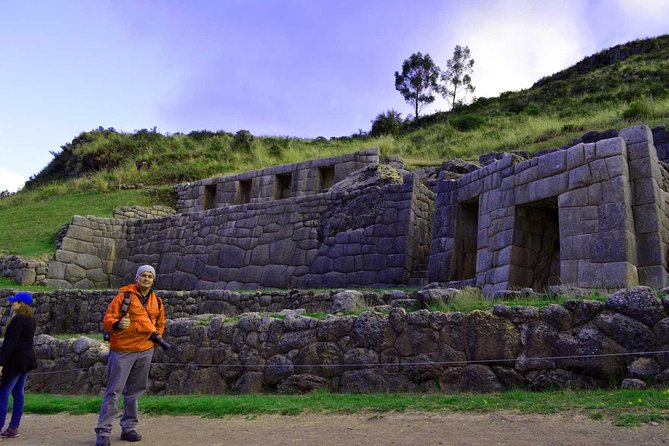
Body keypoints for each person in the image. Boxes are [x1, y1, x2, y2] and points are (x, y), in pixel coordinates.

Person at [95, 265, 165, 446]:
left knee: (135, 391)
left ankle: (129, 427)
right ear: (137, 278)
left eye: (150, 276)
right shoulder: (123, 298)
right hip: (123, 351)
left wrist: (155, 338)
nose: (147, 279)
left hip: (145, 351)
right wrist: (117, 324)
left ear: (153, 280)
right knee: (114, 391)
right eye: (143, 275)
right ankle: (103, 431)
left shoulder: (157, 301)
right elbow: (108, 319)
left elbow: (160, 323)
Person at [0, 291, 37, 439]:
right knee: (18, 394)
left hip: (15, 361)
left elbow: (11, 343)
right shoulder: (30, 319)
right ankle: (13, 427)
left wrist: (1, 363)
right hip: (26, 360)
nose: (12, 303)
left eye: (15, 301)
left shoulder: (18, 320)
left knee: (3, 394)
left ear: (21, 304)